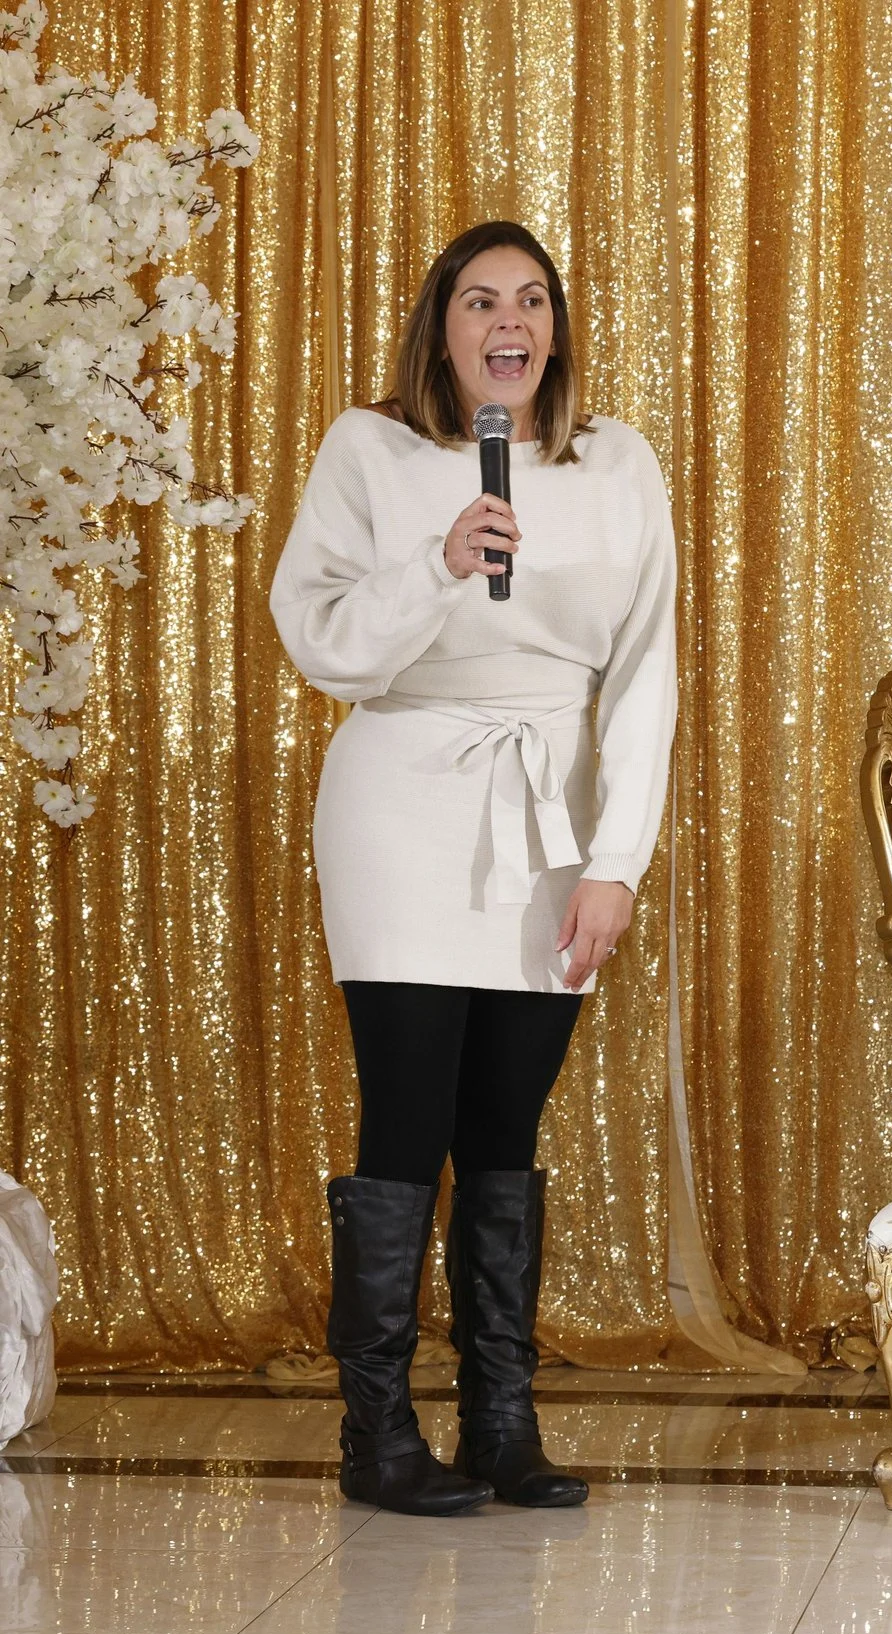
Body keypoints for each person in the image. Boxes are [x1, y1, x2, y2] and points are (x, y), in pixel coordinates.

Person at [270, 222, 677, 1516]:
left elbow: (649, 671)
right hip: (404, 793)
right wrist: (435, 564)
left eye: (534, 299)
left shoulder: (617, 464)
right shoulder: (368, 448)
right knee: (408, 1111)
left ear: (556, 327)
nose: (511, 321)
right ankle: (376, 1430)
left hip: (550, 812)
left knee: (507, 1119)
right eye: (481, 300)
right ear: (440, 326)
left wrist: (616, 859)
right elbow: (320, 636)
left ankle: (502, 1417)